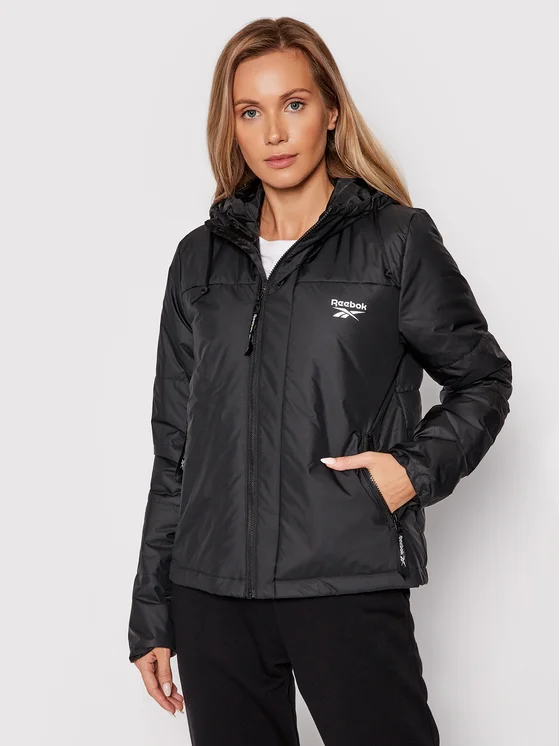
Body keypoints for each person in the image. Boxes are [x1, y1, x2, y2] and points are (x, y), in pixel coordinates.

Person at [127, 16, 513, 746]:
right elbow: (175, 444)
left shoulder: (396, 241)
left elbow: (483, 379)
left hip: (345, 579)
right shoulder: (199, 260)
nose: (274, 132)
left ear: (331, 112)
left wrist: (408, 473)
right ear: (232, 127)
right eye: (251, 111)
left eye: (294, 104)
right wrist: (154, 607)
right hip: (210, 595)